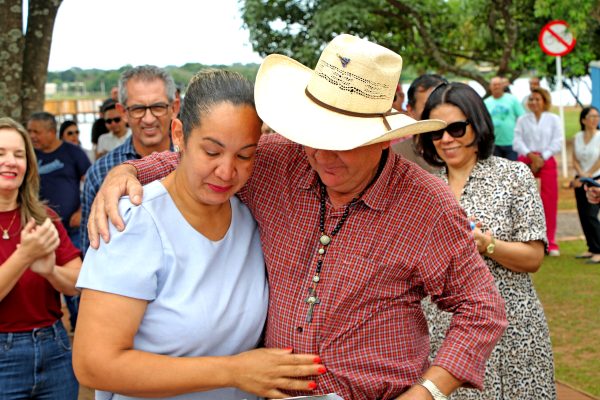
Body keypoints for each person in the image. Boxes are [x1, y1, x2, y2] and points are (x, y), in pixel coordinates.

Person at [87, 34, 508, 399]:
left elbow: (482, 309)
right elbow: (203, 158)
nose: (322, 156)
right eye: (313, 135)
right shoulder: (280, 160)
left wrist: (426, 393)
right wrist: (127, 172)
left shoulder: (426, 205)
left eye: (343, 143)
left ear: (383, 140)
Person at [73, 69, 324, 400]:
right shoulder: (134, 222)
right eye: (212, 151)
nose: (226, 171)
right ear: (179, 133)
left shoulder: (249, 218)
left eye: (245, 155)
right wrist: (233, 371)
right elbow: (94, 364)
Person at [416, 82, 556, 399]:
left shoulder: (514, 176)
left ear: (477, 125)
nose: (446, 139)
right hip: (444, 334)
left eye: (456, 128)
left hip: (510, 329)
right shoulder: (423, 188)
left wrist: (485, 243)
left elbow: (533, 258)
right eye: (437, 132)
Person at [0, 117, 82, 399]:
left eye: (19, 154)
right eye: (1, 153)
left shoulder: (44, 218)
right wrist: (25, 255)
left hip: (54, 348)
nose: (11, 161)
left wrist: (50, 272)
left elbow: (77, 282)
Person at [79, 65, 180, 254]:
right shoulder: (101, 173)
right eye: (138, 109)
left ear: (174, 107)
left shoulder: (195, 164)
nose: (149, 119)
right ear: (123, 112)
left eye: (158, 107)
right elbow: (90, 249)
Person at [28, 112, 91, 331]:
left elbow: (91, 182)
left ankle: (82, 325)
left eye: (36, 131)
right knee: (46, 277)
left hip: (71, 229)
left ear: (50, 131)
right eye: (30, 131)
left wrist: (82, 210)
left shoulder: (72, 153)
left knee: (77, 278)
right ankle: (70, 325)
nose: (32, 136)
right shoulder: (31, 156)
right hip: (42, 229)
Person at [513, 87, 563, 256]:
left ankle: (550, 242)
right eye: (531, 99)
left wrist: (542, 157)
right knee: (523, 200)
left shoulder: (554, 119)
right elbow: (517, 141)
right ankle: (524, 240)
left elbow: (558, 141)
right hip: (526, 160)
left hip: (546, 160)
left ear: (544, 101)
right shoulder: (522, 119)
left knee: (549, 202)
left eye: (537, 99)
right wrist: (531, 156)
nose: (534, 102)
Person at [391, 74, 447, 172]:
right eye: (429, 106)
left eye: (444, 104)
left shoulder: (465, 148)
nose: (438, 112)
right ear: (411, 110)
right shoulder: (395, 156)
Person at [571, 106, 600, 263]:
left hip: (596, 178)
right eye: (591, 116)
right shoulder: (578, 137)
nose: (595, 119)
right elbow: (574, 158)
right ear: (583, 120)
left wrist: (588, 175)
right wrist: (581, 174)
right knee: (583, 214)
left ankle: (599, 249)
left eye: (597, 116)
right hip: (580, 178)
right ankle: (591, 247)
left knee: (591, 214)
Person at [484, 76, 525, 161]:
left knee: (512, 170)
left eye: (499, 84)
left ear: (503, 86)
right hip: (494, 144)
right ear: (490, 87)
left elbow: (523, 117)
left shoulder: (512, 99)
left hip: (512, 143)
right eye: (494, 85)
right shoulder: (486, 102)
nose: (496, 87)